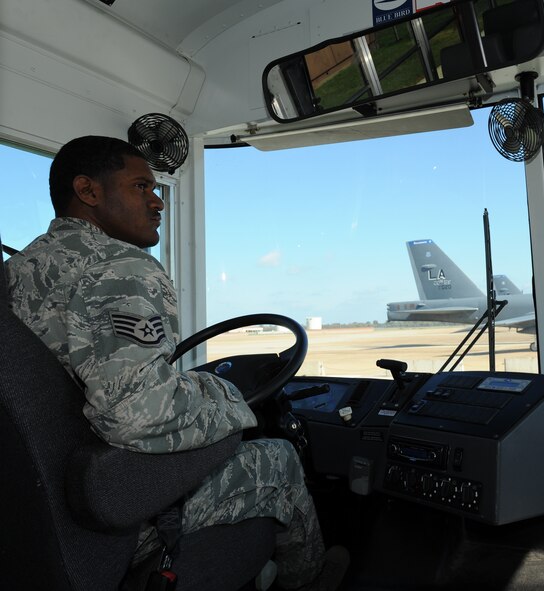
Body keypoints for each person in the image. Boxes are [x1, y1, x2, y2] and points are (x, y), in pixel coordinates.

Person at [4, 135, 347, 590]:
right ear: (88, 191)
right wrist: (228, 399)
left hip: (36, 512)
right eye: (141, 187)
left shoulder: (19, 270)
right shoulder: (121, 267)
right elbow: (135, 415)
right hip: (113, 517)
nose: (158, 201)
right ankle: (309, 581)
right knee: (278, 457)